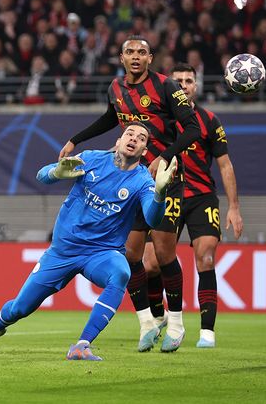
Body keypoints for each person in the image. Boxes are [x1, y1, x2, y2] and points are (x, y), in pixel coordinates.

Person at [0, 123, 178, 361]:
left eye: (140, 138)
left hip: (102, 253)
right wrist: (57, 172)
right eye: (129, 134)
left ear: (144, 150)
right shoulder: (91, 159)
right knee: (20, 308)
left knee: (120, 272)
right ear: (118, 141)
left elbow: (152, 217)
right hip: (63, 251)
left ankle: (82, 345)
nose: (133, 139)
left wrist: (160, 193)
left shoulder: (142, 181)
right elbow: (42, 175)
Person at [58, 37, 199, 353]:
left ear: (150, 58)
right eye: (130, 52)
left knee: (163, 255)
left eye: (142, 52)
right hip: (131, 181)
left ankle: (175, 323)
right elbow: (110, 118)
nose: (136, 57)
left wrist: (166, 156)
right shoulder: (116, 88)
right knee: (131, 255)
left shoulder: (165, 87)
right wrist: (74, 140)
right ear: (121, 57)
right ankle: (147, 322)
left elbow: (192, 128)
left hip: (165, 180)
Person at [142, 63, 243, 349]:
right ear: (169, 87)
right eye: (178, 81)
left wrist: (233, 207)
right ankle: (160, 316)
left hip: (200, 197)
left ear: (196, 86)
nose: (184, 85)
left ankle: (207, 333)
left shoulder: (209, 120)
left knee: (206, 257)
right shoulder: (158, 122)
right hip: (167, 196)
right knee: (150, 265)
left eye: (189, 81)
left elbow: (225, 166)